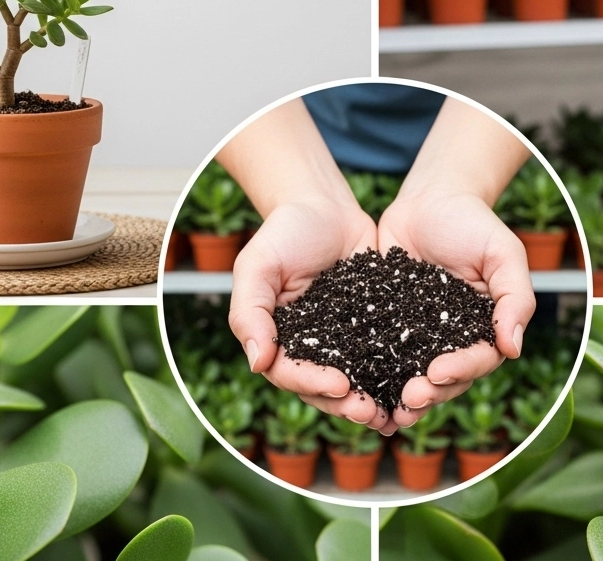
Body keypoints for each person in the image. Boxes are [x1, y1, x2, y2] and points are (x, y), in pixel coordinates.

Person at [216, 83, 537, 435]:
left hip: (475, 148)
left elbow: (514, 83)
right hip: (297, 148)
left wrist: (453, 189)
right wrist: (303, 197)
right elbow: (240, 82)